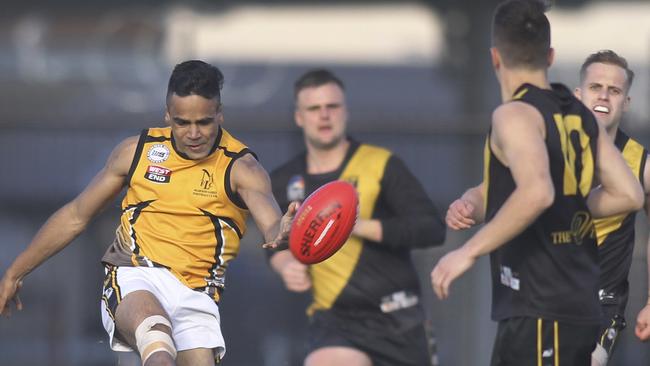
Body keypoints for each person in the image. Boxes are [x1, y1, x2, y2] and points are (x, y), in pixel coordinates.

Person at [0, 60, 295, 366]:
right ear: (168, 115)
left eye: (204, 122)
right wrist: (15, 272)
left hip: (196, 294)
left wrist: (286, 231)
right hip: (135, 275)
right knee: (158, 344)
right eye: (182, 122)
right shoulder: (136, 153)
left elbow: (272, 224)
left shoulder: (241, 168)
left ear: (219, 113)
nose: (193, 133)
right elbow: (76, 215)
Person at [432, 1, 644, 365]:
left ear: (495, 58)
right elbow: (629, 193)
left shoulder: (514, 114)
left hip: (544, 308)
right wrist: (474, 202)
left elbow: (537, 191)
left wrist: (466, 251)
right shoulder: (576, 113)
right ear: (549, 55)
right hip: (567, 306)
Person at [268, 69, 446, 366]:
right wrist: (285, 265)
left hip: (399, 316)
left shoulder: (380, 164)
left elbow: (431, 228)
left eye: (332, 107)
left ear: (345, 111)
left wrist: (355, 225)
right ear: (299, 117)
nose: (324, 115)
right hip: (336, 320)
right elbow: (274, 240)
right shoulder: (285, 180)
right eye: (314, 108)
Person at [573, 50, 650, 365]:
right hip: (545, 297)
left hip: (602, 305)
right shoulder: (549, 150)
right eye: (595, 87)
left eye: (614, 90)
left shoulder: (641, 163)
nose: (604, 95)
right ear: (579, 95)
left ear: (626, 102)